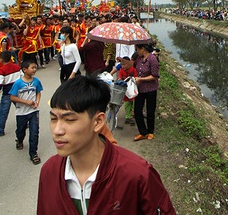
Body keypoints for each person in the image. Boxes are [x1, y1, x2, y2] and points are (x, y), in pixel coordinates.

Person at [37, 75, 175, 214]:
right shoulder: (50, 172)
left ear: (98, 122)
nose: (57, 130)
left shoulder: (137, 175)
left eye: (69, 120)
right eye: (53, 119)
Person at [9, 60, 43, 165]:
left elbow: (38, 92)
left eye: (35, 68)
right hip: (21, 112)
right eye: (32, 68)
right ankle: (19, 140)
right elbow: (12, 97)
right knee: (21, 130)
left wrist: (37, 102)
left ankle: (33, 153)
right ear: (24, 70)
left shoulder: (36, 81)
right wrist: (25, 102)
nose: (34, 70)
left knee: (34, 132)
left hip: (33, 111)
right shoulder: (18, 83)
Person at [0, 51, 23, 138]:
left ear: (1, 60)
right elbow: (22, 77)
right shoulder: (17, 67)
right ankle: (26, 123)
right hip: (17, 92)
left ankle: (0, 130)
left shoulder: (1, 70)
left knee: (3, 112)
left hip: (7, 93)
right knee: (21, 108)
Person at [133, 43, 160, 141]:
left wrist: (141, 79)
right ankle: (143, 132)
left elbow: (155, 76)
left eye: (137, 49)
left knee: (150, 111)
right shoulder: (139, 58)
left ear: (143, 49)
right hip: (140, 89)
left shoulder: (152, 59)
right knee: (137, 111)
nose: (137, 51)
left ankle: (150, 131)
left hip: (151, 89)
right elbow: (132, 65)